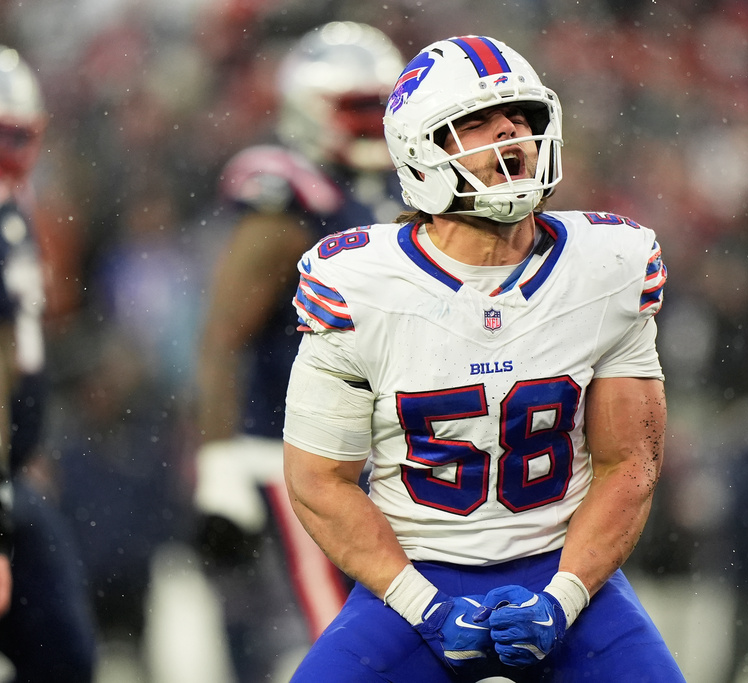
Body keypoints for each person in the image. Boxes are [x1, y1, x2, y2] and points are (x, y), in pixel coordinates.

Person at [279, 34, 685, 683]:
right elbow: (318, 479)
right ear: (421, 151)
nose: (512, 133)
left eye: (522, 116)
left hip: (561, 564)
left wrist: (564, 597)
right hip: (414, 575)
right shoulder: (359, 282)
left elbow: (627, 463)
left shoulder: (608, 266)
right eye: (479, 121)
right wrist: (425, 605)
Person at [191, 20, 405, 681]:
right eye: (356, 108)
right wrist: (219, 461)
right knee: (337, 637)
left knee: (385, 631)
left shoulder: (400, 188)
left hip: (382, 448)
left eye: (381, 106)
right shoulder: (289, 198)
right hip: (294, 451)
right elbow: (224, 332)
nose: (372, 124)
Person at [0, 45, 97, 680]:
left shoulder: (16, 212)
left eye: (20, 137)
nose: (12, 154)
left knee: (62, 655)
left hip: (13, 479)